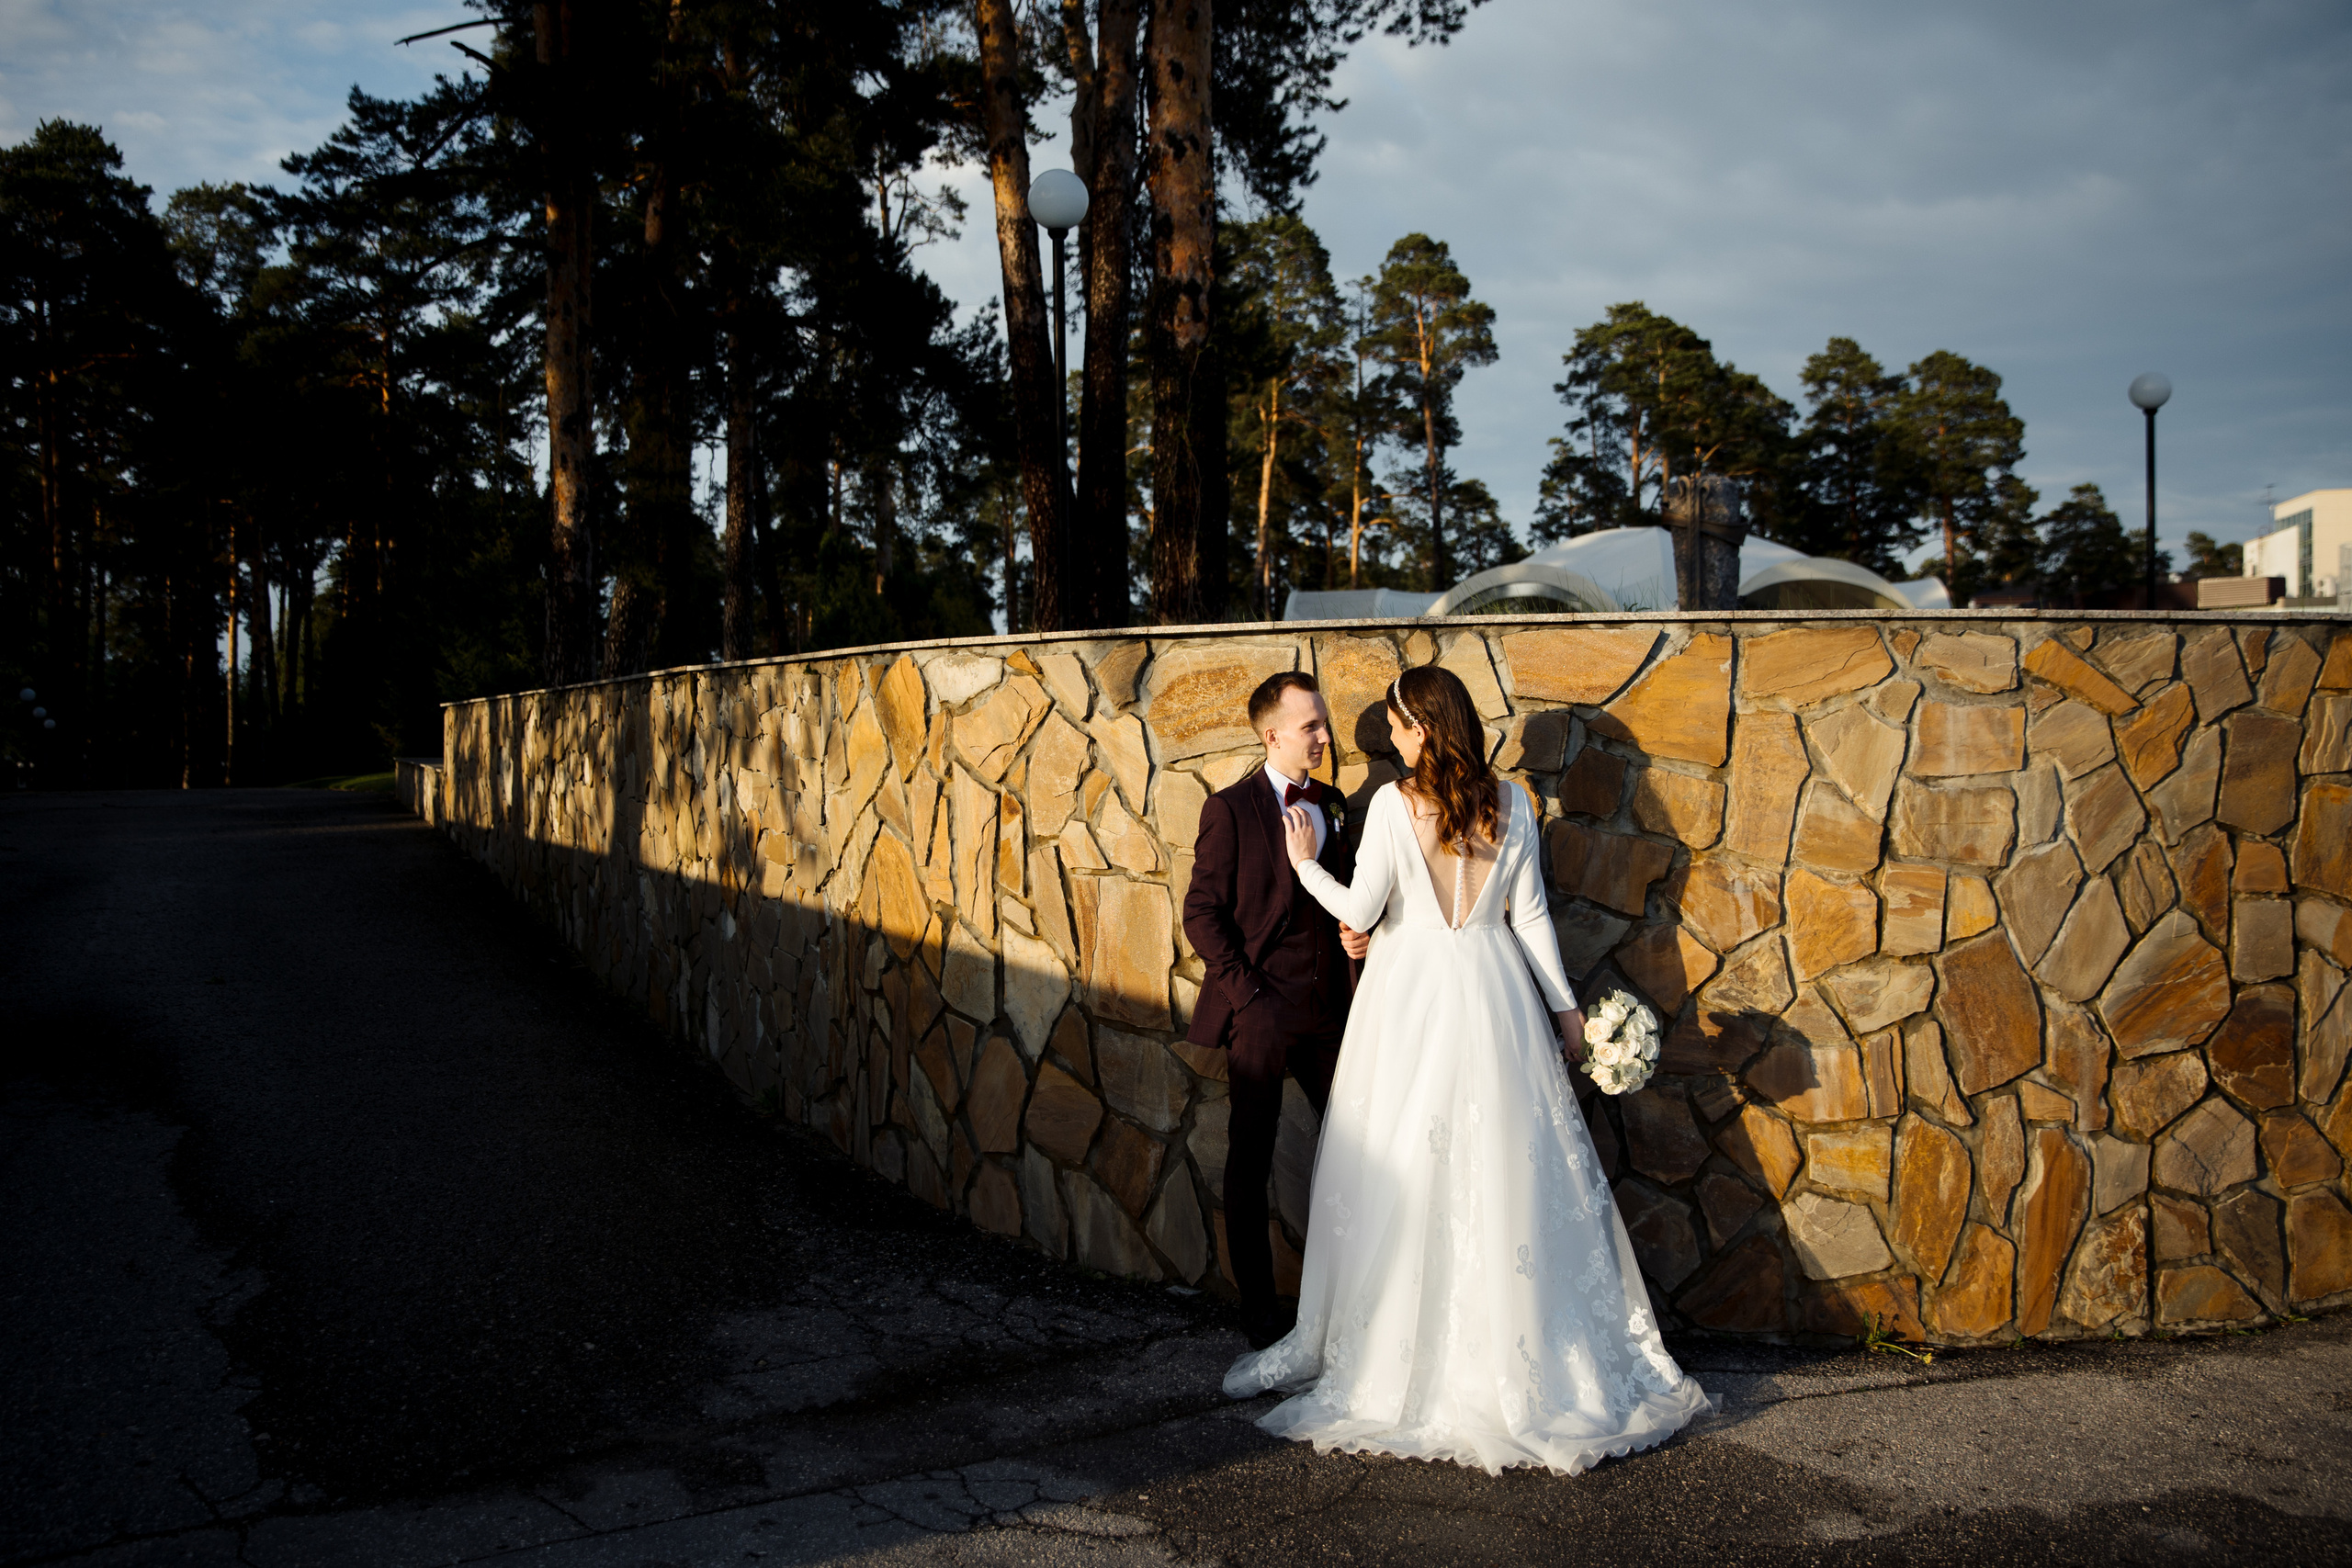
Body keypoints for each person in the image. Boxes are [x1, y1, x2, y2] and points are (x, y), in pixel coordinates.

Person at [1222, 664, 1712, 1475]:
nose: (1390, 739)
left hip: (1409, 995)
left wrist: (1308, 864)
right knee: (1500, 1170)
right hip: (1495, 996)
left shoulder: (1390, 804)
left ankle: (1398, 1350)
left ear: (1422, 728)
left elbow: (1360, 909)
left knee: (1404, 1162)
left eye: (1397, 726)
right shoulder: (1514, 803)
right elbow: (1530, 919)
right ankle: (1512, 1349)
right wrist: (1564, 1013)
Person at [1181, 671, 1373, 1350]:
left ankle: (1357, 1301)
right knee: (1250, 1156)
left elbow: (1348, 891)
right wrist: (1247, 994)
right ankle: (1259, 1312)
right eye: (1310, 726)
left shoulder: (1337, 803)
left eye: (1323, 723)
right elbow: (1200, 913)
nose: (1324, 736)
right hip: (1260, 1008)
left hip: (1329, 1010)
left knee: (1363, 1148)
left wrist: (1357, 933)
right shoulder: (1230, 809)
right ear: (1272, 735)